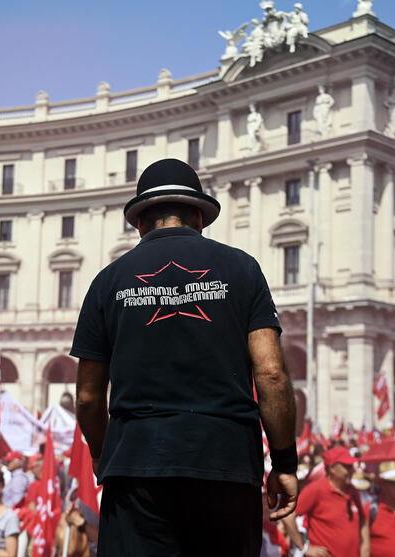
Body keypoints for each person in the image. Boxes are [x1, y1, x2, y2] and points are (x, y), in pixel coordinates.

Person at [72, 158, 298, 556]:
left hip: (136, 469)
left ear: (140, 222)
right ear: (198, 216)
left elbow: (89, 397)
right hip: (225, 465)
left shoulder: (107, 282)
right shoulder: (243, 269)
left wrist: (100, 453)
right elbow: (271, 372)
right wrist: (284, 463)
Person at [284, 446, 370, 556]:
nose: (352, 470)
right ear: (332, 469)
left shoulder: (353, 491)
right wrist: (304, 547)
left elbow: (363, 521)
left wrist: (365, 550)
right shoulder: (316, 489)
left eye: (351, 466)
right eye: (347, 467)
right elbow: (287, 516)